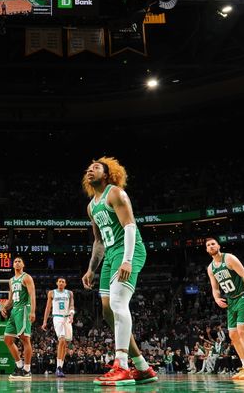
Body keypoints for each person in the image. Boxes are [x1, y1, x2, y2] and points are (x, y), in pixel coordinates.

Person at [81, 158, 158, 386]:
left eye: (95, 167)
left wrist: (127, 260)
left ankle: (122, 365)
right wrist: (91, 269)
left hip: (128, 250)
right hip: (110, 254)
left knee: (117, 304)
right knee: (107, 312)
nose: (89, 170)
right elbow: (98, 241)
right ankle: (143, 368)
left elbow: (130, 226)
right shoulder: (91, 206)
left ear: (107, 174)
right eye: (88, 169)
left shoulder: (115, 193)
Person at [205, 237, 244, 380]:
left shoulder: (229, 258)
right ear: (206, 250)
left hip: (243, 296)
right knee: (233, 335)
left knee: (243, 331)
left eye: (213, 244)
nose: (211, 246)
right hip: (231, 302)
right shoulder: (210, 268)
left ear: (218, 246)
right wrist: (217, 298)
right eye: (208, 245)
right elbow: (215, 288)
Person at [1, 257, 36, 381]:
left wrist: (32, 311)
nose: (17, 263)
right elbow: (10, 299)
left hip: (24, 309)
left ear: (23, 264)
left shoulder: (26, 277)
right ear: (12, 265)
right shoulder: (11, 280)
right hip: (14, 310)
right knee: (8, 339)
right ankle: (19, 366)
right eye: (15, 261)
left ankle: (27, 370)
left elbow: (32, 294)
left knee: (25, 338)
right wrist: (4, 308)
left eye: (19, 261)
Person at [41, 277, 74, 377]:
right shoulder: (51, 293)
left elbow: (71, 305)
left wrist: (72, 315)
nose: (61, 283)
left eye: (63, 282)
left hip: (67, 318)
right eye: (59, 281)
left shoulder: (69, 293)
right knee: (62, 340)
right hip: (57, 317)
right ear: (56, 283)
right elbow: (48, 307)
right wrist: (44, 321)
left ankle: (60, 367)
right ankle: (58, 368)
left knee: (65, 344)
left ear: (65, 284)